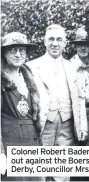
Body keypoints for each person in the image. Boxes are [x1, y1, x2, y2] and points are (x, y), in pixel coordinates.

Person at [26, 24, 88, 181]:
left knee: (62, 173)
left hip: (66, 126)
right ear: (44, 42)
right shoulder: (32, 66)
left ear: (65, 43)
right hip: (43, 125)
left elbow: (80, 99)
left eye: (59, 40)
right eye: (51, 39)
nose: (55, 43)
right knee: (40, 171)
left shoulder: (72, 67)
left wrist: (82, 127)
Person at [1, 32, 41, 181]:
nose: (18, 54)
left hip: (32, 145)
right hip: (11, 145)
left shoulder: (28, 78)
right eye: (13, 50)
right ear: (4, 53)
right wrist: (1, 153)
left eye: (22, 50)